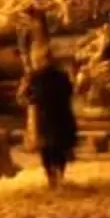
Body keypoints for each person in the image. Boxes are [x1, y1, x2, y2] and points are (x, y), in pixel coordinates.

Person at [20, 50, 79, 187]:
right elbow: (23, 96)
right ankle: (54, 177)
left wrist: (32, 100)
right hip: (51, 115)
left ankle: (55, 177)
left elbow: (23, 96)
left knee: (53, 147)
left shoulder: (39, 77)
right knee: (51, 147)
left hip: (52, 115)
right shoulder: (38, 77)